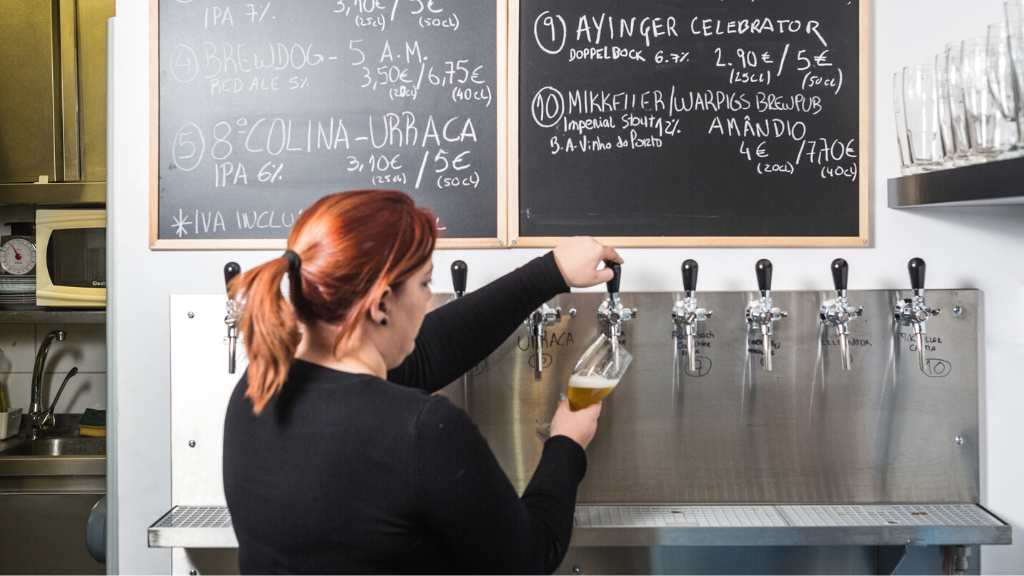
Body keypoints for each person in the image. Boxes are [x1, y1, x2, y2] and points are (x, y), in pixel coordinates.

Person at [222, 189, 623, 574]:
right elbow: (530, 558)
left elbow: (431, 350)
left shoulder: (255, 389)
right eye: (425, 283)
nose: (429, 299)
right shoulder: (423, 431)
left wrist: (549, 272)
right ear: (380, 305)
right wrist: (566, 443)